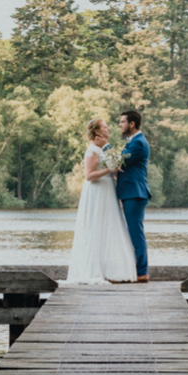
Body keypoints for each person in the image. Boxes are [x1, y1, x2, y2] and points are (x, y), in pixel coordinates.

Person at [67, 116, 138, 285]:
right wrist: (109, 169)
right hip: (97, 191)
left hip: (108, 190)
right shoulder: (91, 151)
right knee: (96, 226)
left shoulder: (105, 149)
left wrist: (113, 169)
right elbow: (89, 176)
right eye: (105, 127)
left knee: (110, 225)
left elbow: (114, 164)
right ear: (98, 131)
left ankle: (112, 270)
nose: (109, 129)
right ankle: (94, 269)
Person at [115, 109, 151, 283]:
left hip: (135, 193)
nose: (119, 125)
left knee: (136, 233)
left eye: (122, 122)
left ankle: (142, 272)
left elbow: (118, 161)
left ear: (132, 124)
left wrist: (104, 146)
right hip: (131, 192)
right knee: (133, 232)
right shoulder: (133, 141)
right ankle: (136, 270)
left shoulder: (138, 143)